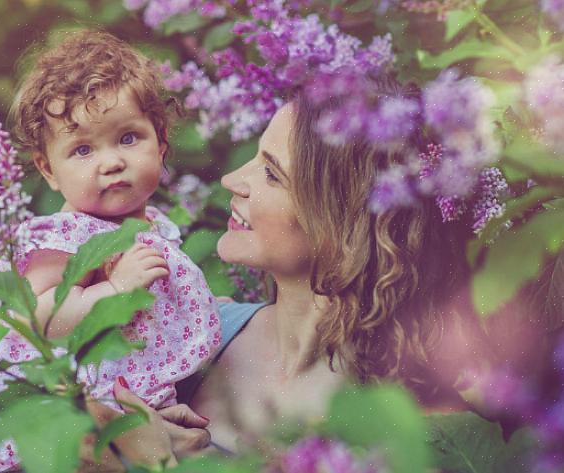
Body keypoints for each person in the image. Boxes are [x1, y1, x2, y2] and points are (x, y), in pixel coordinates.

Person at [85, 75, 481, 468]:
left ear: (343, 225)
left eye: (272, 174)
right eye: (256, 159)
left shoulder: (408, 426)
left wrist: (160, 463)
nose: (232, 180)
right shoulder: (200, 330)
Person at [0, 30, 221, 472]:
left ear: (160, 141)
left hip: (126, 419)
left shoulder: (152, 228)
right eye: (82, 149)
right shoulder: (66, 236)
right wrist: (114, 289)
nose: (110, 162)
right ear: (49, 170)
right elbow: (35, 316)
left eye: (128, 138)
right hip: (63, 418)